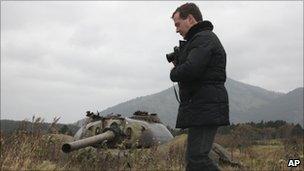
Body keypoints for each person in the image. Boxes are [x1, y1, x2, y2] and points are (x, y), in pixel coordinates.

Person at [169, 3, 230, 171]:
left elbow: (191, 69)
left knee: (197, 158)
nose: (176, 29)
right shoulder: (199, 40)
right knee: (193, 161)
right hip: (201, 107)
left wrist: (174, 71)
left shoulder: (204, 38)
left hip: (205, 107)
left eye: (177, 24)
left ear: (190, 19)